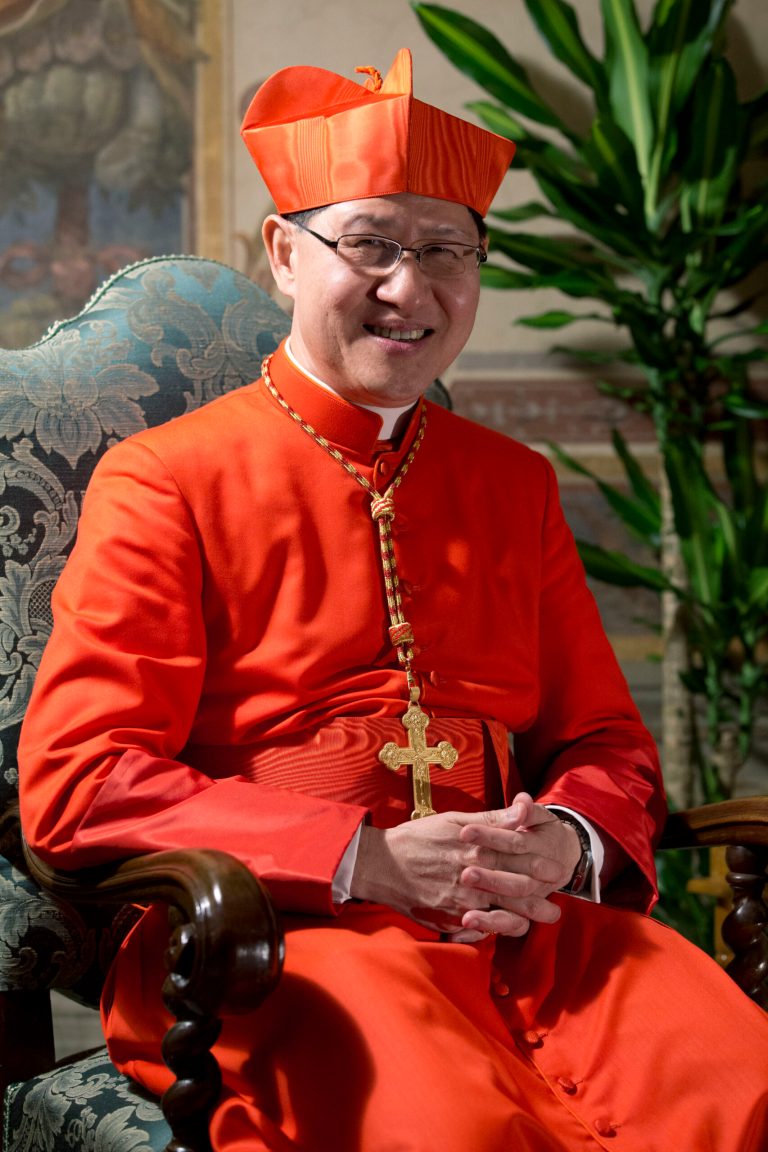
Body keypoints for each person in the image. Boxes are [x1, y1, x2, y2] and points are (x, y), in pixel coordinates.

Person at [18, 47, 768, 1152]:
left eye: (446, 251)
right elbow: (81, 782)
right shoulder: (167, 480)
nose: (410, 288)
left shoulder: (512, 484)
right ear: (284, 253)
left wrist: (563, 841)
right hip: (279, 933)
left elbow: (605, 740)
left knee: (738, 1090)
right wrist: (362, 859)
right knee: (454, 1129)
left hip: (529, 926)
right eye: (369, 243)